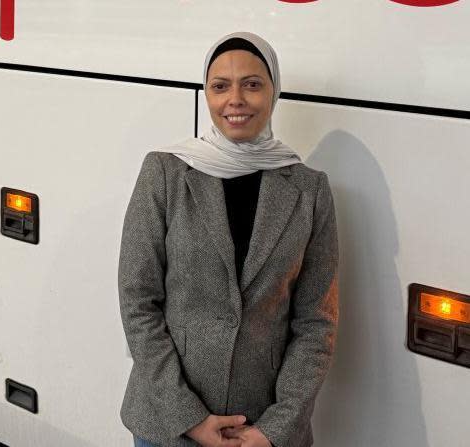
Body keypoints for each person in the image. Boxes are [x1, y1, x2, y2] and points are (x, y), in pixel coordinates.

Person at [118, 32, 339, 447]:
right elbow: (138, 302)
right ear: (207, 94)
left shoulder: (309, 190)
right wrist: (190, 418)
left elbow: (315, 323)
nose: (235, 99)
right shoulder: (166, 173)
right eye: (220, 86)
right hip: (167, 424)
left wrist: (276, 428)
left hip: (259, 429)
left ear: (273, 91)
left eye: (252, 84)